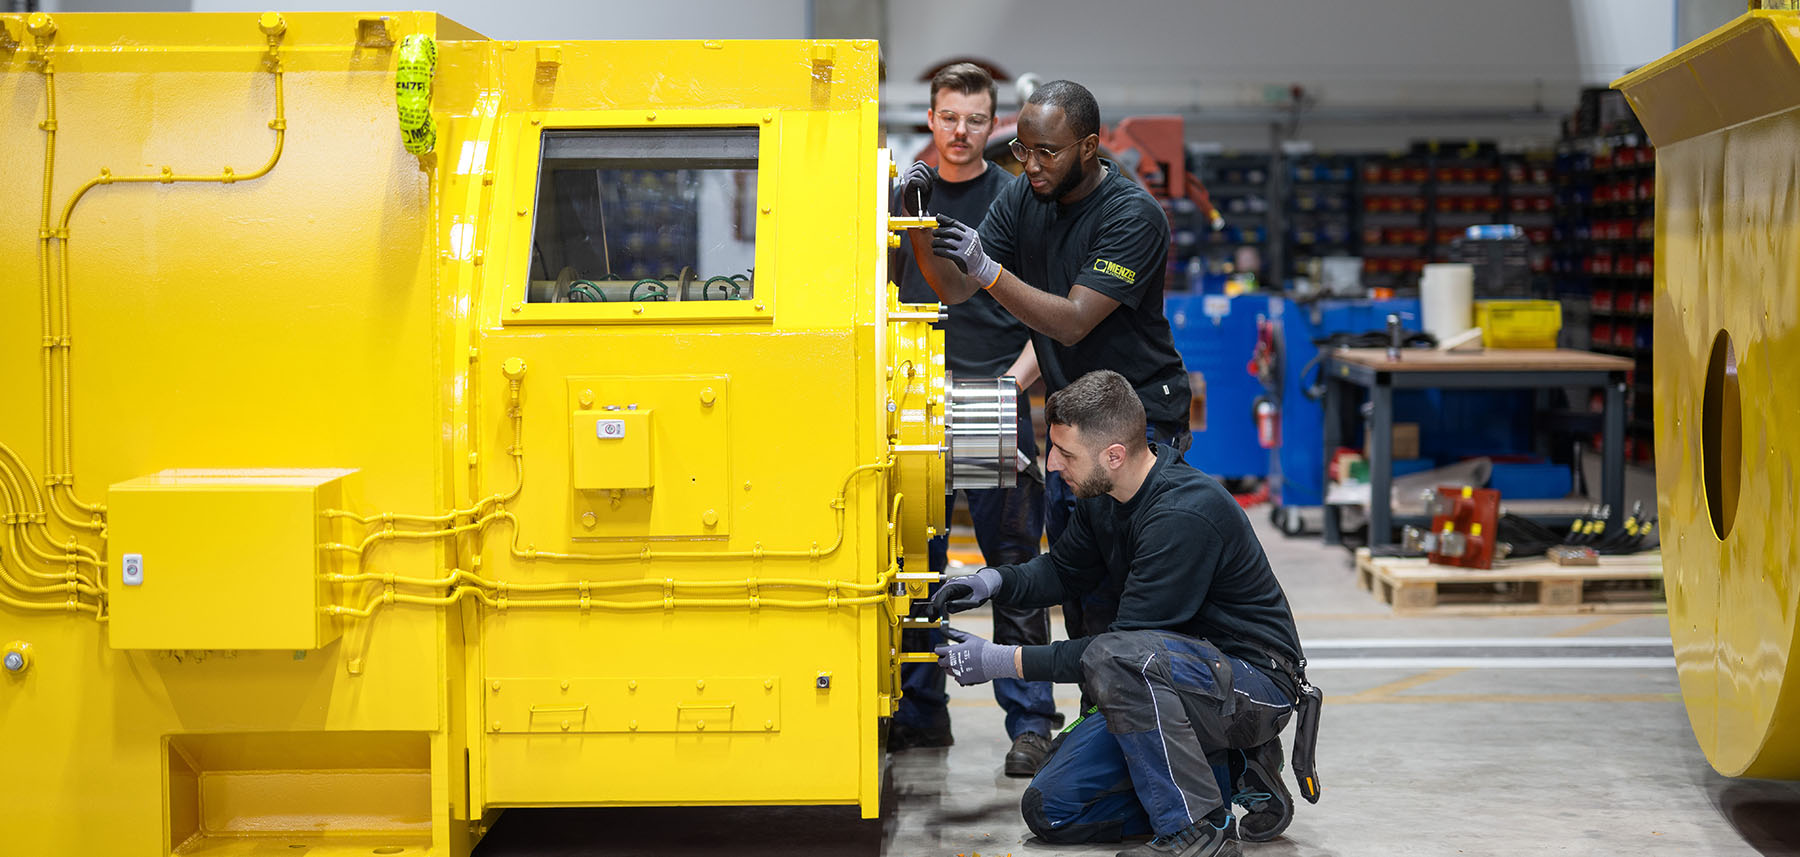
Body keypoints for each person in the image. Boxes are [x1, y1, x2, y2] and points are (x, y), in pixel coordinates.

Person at [927, 370, 1313, 857]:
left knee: (1121, 659)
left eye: (1065, 454)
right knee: (1052, 809)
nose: (1050, 465)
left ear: (1114, 454)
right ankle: (1234, 773)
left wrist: (1001, 661)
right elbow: (1064, 572)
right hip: (1177, 677)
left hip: (1252, 685)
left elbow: (1115, 652)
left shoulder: (1183, 514)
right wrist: (991, 582)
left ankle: (1196, 834)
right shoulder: (1105, 495)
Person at [902, 79, 1193, 647]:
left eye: (1047, 152)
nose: (1031, 164)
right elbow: (956, 288)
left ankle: (1128, 717)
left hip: (1138, 422)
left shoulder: (1132, 216)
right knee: (1077, 586)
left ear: (1089, 146)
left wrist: (989, 271)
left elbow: (1072, 320)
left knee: (1131, 589)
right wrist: (918, 222)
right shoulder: (1024, 196)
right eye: (1023, 151)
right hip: (1070, 420)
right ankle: (1091, 719)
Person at [889, 62, 1061, 777]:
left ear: (994, 126)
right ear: (930, 119)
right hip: (913, 406)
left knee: (1012, 568)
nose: (962, 132)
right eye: (949, 117)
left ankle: (1030, 723)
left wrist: (1010, 388)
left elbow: (1050, 315)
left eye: (976, 119)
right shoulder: (897, 203)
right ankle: (922, 711)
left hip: (993, 399)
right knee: (913, 567)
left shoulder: (1019, 201)